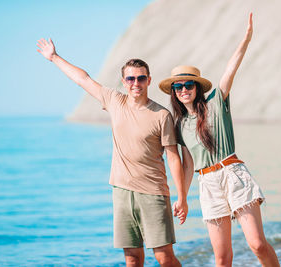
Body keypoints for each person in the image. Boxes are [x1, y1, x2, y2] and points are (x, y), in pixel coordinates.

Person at [36, 39, 188, 267]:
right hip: (122, 193)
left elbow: (173, 157)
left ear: (149, 80)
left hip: (154, 192)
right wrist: (54, 57)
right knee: (132, 259)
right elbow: (83, 79)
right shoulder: (115, 101)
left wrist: (182, 197)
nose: (136, 83)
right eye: (130, 78)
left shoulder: (161, 115)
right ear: (124, 82)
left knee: (164, 257)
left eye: (141, 78)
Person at [158, 13, 280, 267]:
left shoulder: (216, 102)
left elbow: (230, 68)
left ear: (197, 86)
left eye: (188, 84)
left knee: (257, 244)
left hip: (233, 173)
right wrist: (182, 198)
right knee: (222, 259)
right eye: (177, 87)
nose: (183, 90)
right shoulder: (180, 124)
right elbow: (188, 164)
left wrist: (246, 39)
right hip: (208, 184)